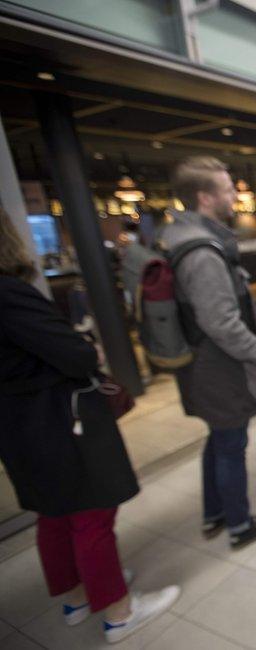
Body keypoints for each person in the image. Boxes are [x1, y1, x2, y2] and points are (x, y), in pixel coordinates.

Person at [0, 208, 180, 643]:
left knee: (54, 511)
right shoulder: (8, 292)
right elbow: (76, 356)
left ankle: (77, 595)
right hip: (58, 419)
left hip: (16, 423)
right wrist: (86, 349)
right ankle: (119, 610)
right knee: (91, 513)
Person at [159, 156, 256, 549]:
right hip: (219, 365)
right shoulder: (202, 253)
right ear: (205, 197)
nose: (235, 195)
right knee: (231, 443)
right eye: (228, 189)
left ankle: (215, 514)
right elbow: (221, 322)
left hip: (206, 362)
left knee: (218, 438)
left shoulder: (182, 240)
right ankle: (240, 525)